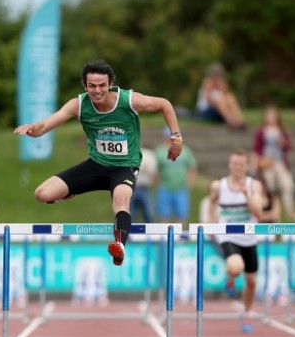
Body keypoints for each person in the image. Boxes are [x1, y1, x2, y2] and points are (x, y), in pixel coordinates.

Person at [14, 59, 183, 266]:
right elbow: (44, 126)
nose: (97, 91)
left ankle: (119, 246)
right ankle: (72, 190)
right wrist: (32, 128)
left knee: (121, 200)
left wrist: (176, 139)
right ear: (85, 86)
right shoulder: (79, 104)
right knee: (42, 194)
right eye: (92, 86)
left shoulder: (128, 100)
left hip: (124, 168)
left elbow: (164, 104)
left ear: (110, 83)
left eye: (102, 85)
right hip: (96, 166)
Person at [208, 149, 263, 333]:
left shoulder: (254, 185)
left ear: (246, 166)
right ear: (230, 165)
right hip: (228, 236)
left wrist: (247, 195)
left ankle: (246, 312)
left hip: (249, 238)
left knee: (252, 281)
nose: (238, 168)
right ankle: (231, 275)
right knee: (236, 266)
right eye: (235, 164)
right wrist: (210, 225)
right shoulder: (219, 185)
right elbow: (212, 203)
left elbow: (259, 213)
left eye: (241, 164)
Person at [252, 104, 295, 221]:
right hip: (267, 163)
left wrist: (283, 143)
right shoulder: (261, 131)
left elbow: (287, 147)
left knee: (287, 185)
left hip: (279, 162)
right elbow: (256, 149)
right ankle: (275, 213)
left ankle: (290, 211)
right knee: (270, 188)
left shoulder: (282, 130)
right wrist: (255, 164)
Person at [154, 127, 197, 225]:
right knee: (163, 215)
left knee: (182, 215)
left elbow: (192, 167)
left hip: (181, 188)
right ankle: (164, 238)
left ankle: (180, 239)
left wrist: (190, 183)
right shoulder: (159, 151)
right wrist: (157, 184)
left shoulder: (185, 151)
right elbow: (155, 170)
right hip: (165, 188)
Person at [195, 62, 246, 129]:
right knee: (219, 100)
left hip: (220, 111)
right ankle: (230, 120)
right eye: (216, 74)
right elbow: (208, 101)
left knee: (230, 97)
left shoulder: (222, 84)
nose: (217, 76)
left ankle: (239, 119)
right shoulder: (208, 82)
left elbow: (226, 98)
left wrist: (221, 87)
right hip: (207, 110)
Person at [129, 143, 157, 224]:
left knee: (149, 214)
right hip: (132, 187)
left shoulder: (149, 155)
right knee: (130, 214)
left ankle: (150, 234)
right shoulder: (130, 154)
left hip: (144, 188)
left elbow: (153, 172)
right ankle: (129, 234)